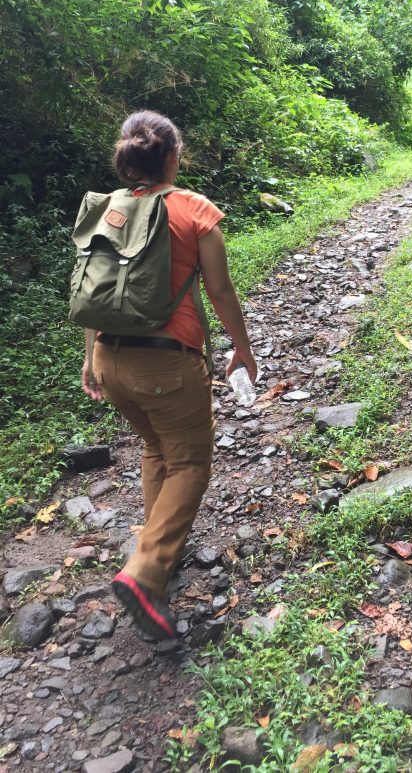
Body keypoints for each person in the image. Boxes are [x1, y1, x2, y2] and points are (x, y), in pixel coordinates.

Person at [81, 110, 257, 640]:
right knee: (190, 464)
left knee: (158, 448)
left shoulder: (107, 210)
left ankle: (159, 553)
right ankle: (144, 574)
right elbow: (221, 292)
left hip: (110, 360)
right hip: (167, 362)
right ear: (173, 157)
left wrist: (90, 357)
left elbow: (94, 289)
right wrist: (242, 349)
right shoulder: (194, 210)